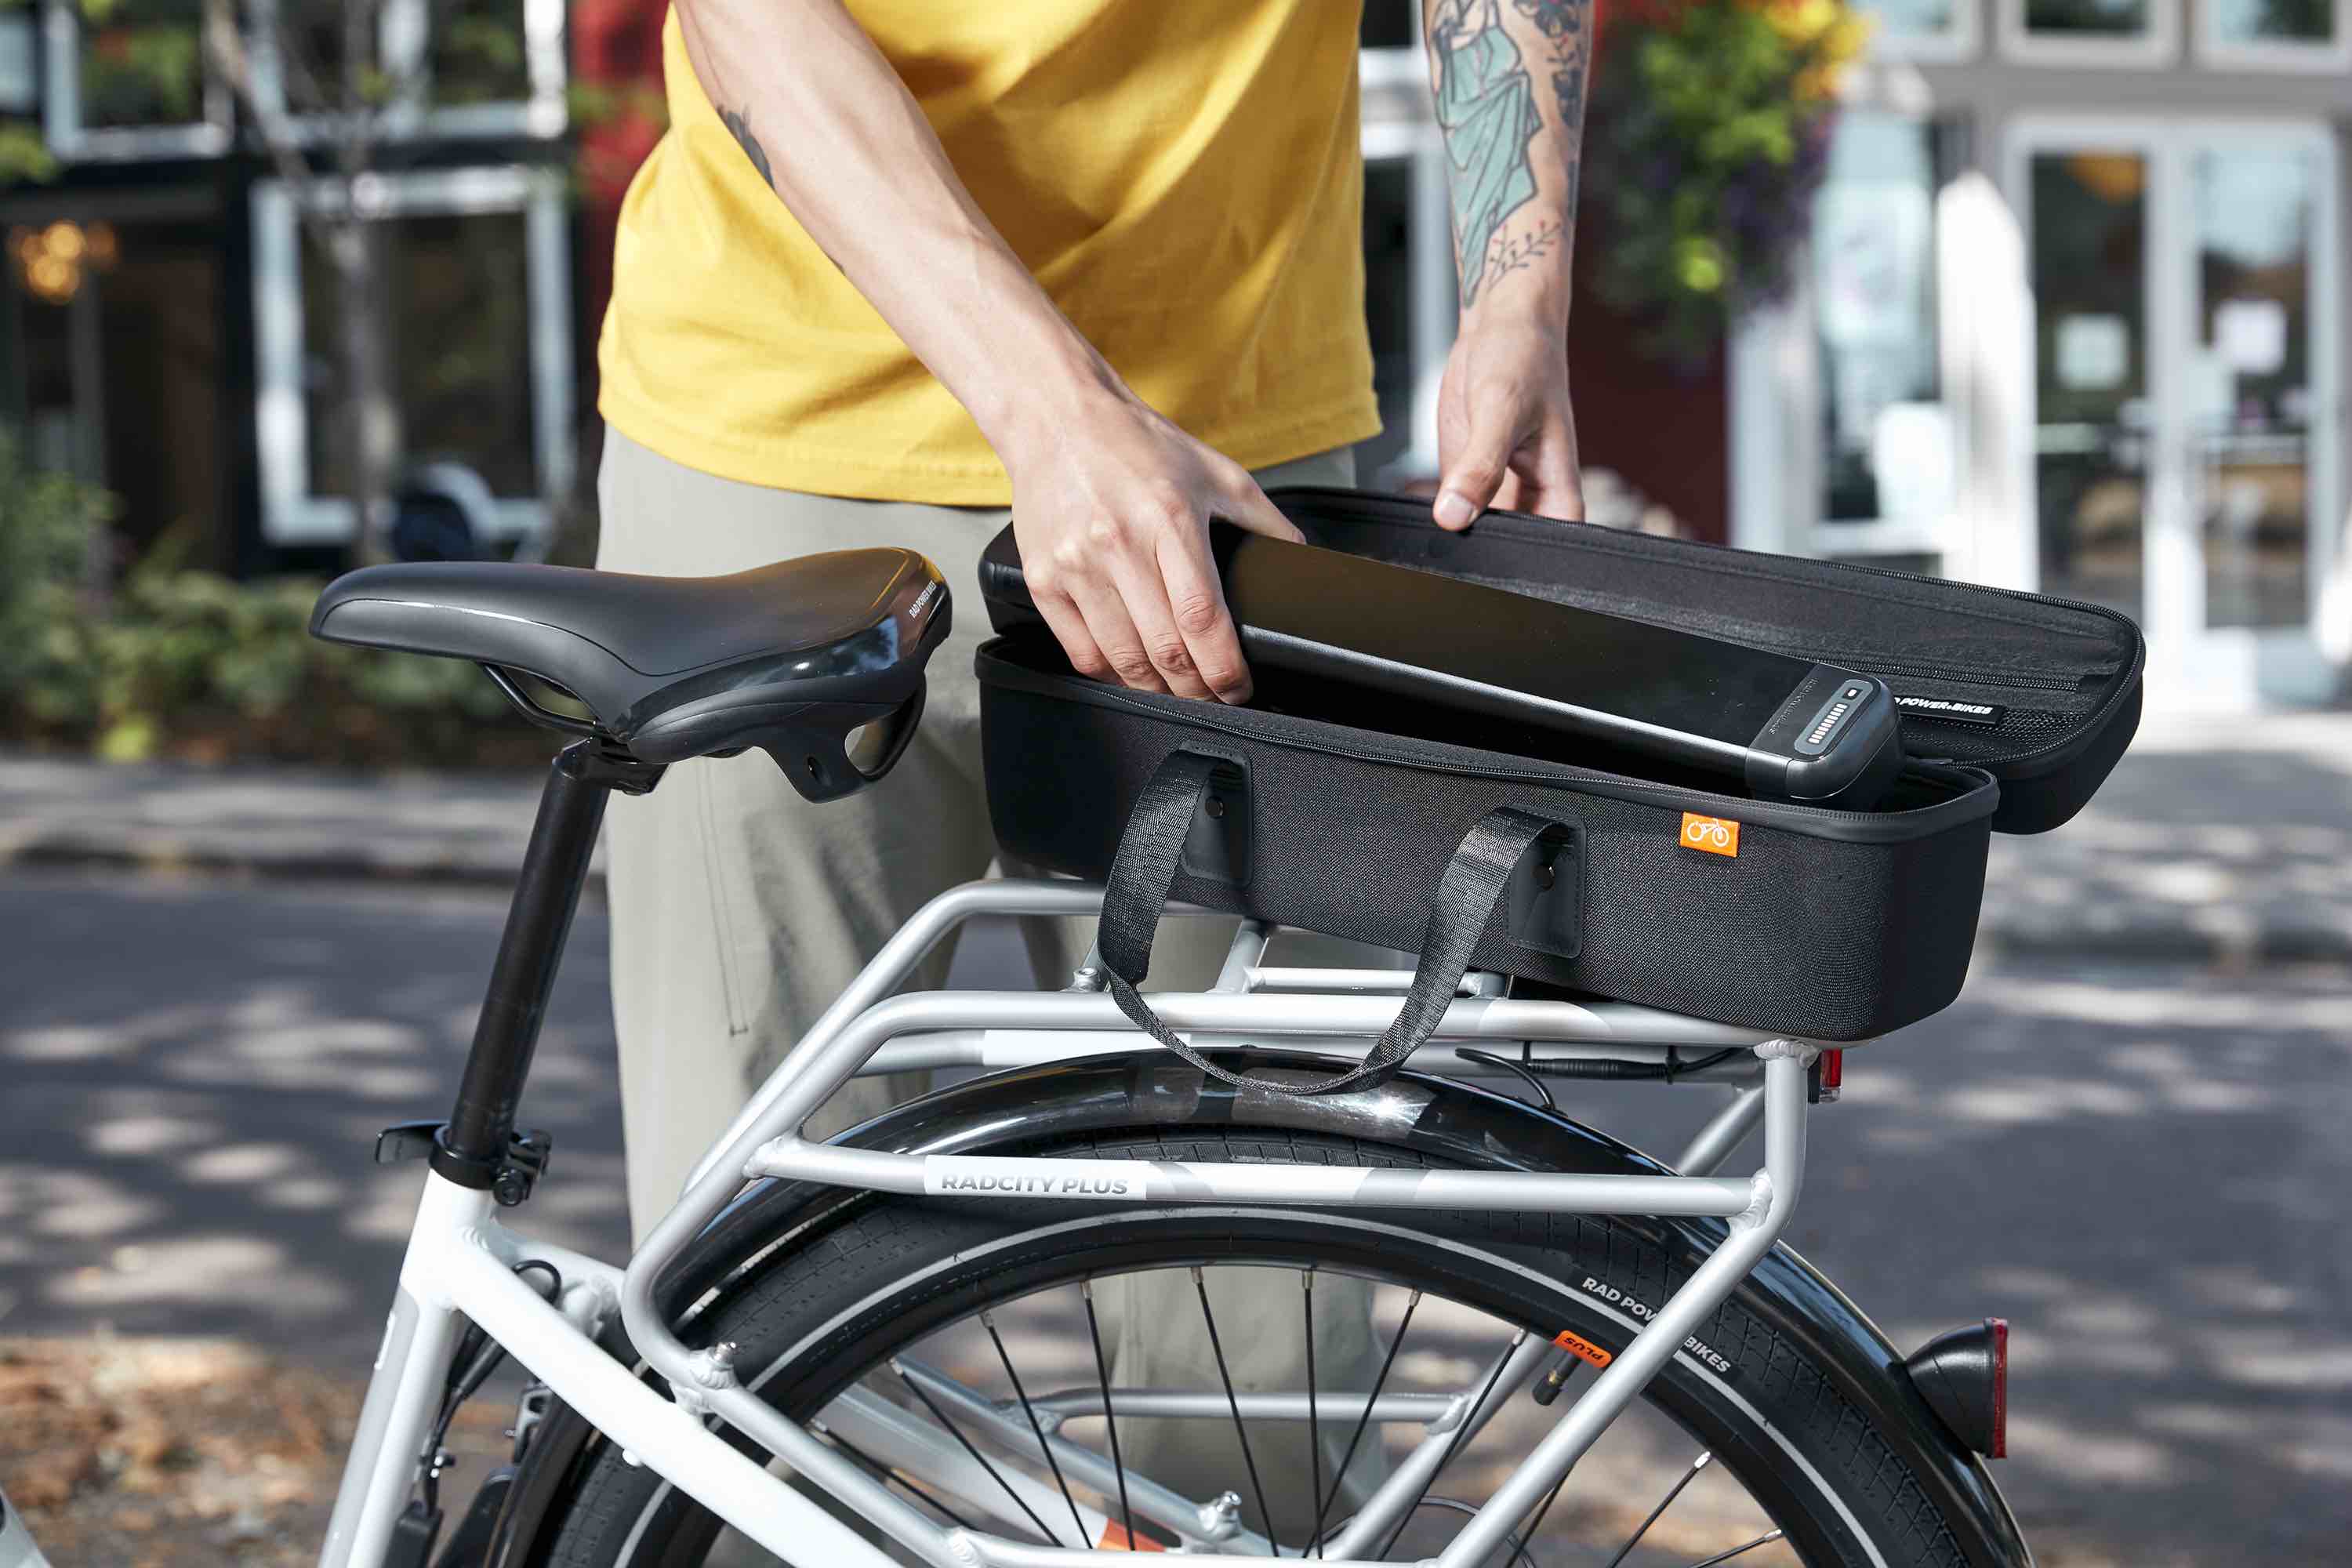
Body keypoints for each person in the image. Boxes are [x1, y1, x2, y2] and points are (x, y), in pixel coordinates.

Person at [596, 0, 1595, 1540]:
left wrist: (1517, 299)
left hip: (1241, 466)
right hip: (781, 462)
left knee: (1256, 1330)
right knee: (752, 1324)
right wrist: (1054, 407)